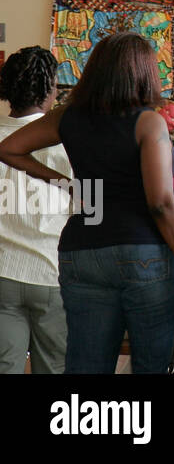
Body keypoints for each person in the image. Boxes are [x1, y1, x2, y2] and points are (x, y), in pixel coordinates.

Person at [0, 33, 174, 374]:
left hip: (68, 255)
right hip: (120, 258)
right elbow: (157, 202)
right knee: (145, 364)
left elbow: (10, 149)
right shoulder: (144, 123)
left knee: (81, 365)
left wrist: (64, 184)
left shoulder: (66, 119)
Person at [0, 48, 69, 373]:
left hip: (2, 274)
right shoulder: (68, 145)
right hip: (51, 274)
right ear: (50, 88)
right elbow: (92, 206)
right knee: (55, 369)